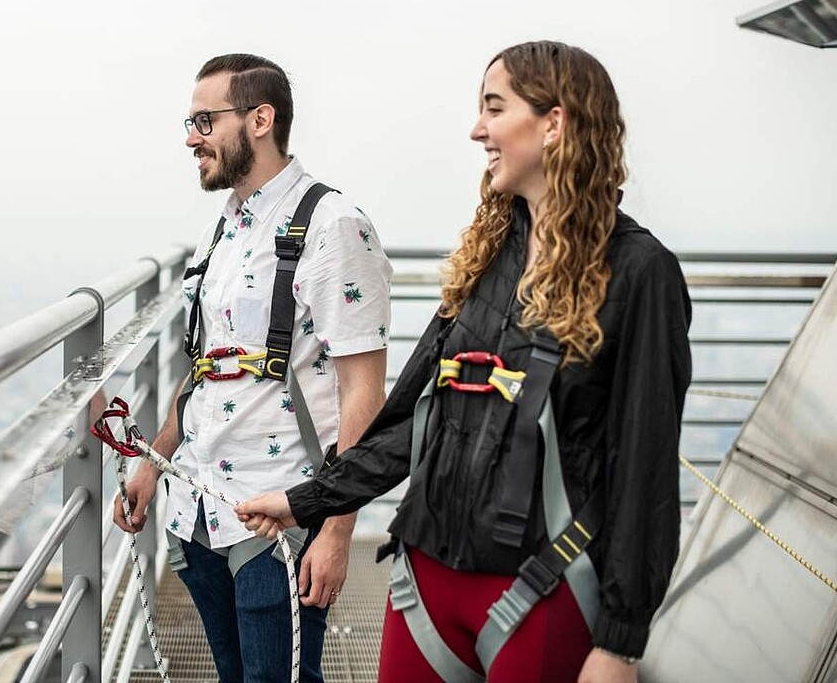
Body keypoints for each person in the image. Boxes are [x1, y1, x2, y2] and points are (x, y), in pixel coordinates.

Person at [237, 41, 692, 683]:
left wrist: (619, 642)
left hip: (543, 590)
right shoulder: (490, 255)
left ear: (555, 122)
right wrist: (305, 501)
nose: (477, 129)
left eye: (495, 108)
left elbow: (645, 470)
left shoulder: (643, 274)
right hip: (423, 583)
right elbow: (410, 420)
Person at [113, 53, 393, 682]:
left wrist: (338, 531)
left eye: (204, 121)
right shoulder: (227, 228)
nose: (191, 138)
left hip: (281, 514)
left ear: (260, 120)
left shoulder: (334, 226)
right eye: (189, 123)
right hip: (198, 505)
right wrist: (152, 464)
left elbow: (363, 394)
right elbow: (210, 365)